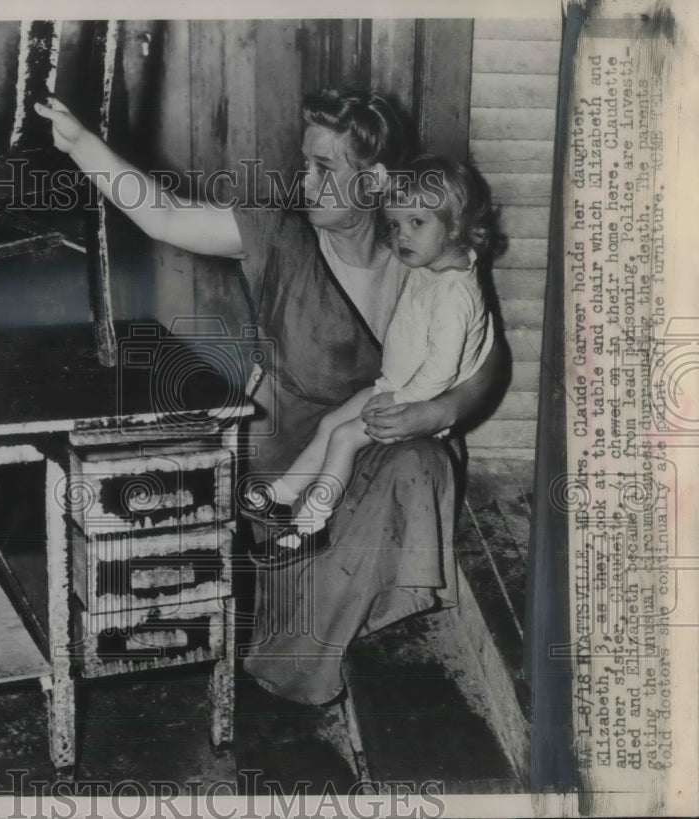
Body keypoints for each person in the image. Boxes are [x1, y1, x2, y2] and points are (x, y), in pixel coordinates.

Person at [35, 90, 504, 706]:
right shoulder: (279, 233)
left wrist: (439, 412)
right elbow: (166, 216)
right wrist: (81, 144)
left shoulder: (423, 240)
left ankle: (351, 624)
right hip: (284, 454)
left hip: (382, 439)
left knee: (422, 462)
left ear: (376, 180)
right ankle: (303, 626)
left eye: (323, 168)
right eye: (303, 163)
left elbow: (489, 360)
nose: (303, 180)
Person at [243, 155, 496, 566]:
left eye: (417, 223)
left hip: (413, 403)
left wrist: (404, 402)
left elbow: (443, 369)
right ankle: (282, 495)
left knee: (344, 439)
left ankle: (310, 527)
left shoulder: (455, 293)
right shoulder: (433, 265)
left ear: (453, 226)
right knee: (330, 424)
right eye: (395, 225)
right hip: (391, 388)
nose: (401, 237)